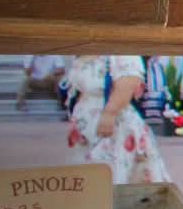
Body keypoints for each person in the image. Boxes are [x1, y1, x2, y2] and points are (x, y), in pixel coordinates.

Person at [65, 55, 171, 183]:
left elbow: (129, 81)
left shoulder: (120, 52)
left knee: (113, 176)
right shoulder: (83, 51)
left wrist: (109, 114)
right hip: (86, 126)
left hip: (114, 124)